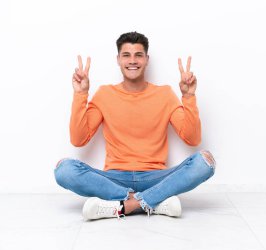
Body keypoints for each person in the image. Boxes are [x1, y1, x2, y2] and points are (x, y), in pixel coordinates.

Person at [54, 32, 216, 220]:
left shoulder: (164, 94)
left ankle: (126, 206)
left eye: (138, 55)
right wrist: (81, 94)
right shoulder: (105, 94)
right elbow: (78, 139)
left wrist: (188, 97)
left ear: (147, 59)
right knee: (64, 169)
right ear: (118, 60)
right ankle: (152, 203)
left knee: (205, 162)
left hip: (155, 178)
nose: (133, 61)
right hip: (115, 178)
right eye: (126, 55)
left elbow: (192, 138)